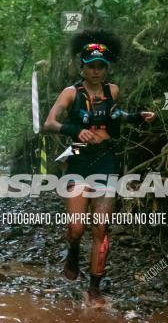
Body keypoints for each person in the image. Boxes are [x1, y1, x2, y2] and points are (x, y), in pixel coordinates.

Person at [44, 30, 156, 307]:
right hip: (79, 160)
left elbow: (113, 117)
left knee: (100, 229)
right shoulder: (71, 93)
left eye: (101, 66)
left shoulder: (112, 90)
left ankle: (94, 288)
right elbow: (49, 123)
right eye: (91, 66)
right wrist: (75, 130)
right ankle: (72, 249)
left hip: (106, 161)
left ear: (106, 68)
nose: (96, 71)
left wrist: (136, 118)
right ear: (82, 66)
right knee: (77, 227)